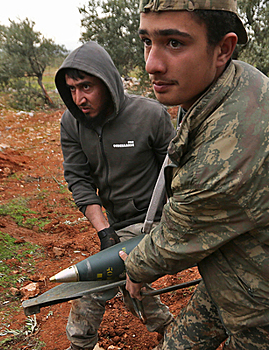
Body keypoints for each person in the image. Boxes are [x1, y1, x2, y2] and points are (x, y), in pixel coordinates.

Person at [120, 1, 269, 349]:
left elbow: (177, 240)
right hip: (240, 265)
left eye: (174, 43)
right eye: (147, 41)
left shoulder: (226, 150)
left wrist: (135, 269)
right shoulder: (229, 81)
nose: (152, 63)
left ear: (223, 49)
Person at [55, 41, 175, 350]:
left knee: (94, 282)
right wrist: (104, 230)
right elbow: (78, 179)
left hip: (155, 221)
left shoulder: (151, 115)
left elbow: (179, 174)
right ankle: (168, 328)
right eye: (71, 89)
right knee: (125, 274)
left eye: (86, 87)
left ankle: (80, 344)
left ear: (108, 82)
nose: (78, 99)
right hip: (117, 224)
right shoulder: (71, 124)